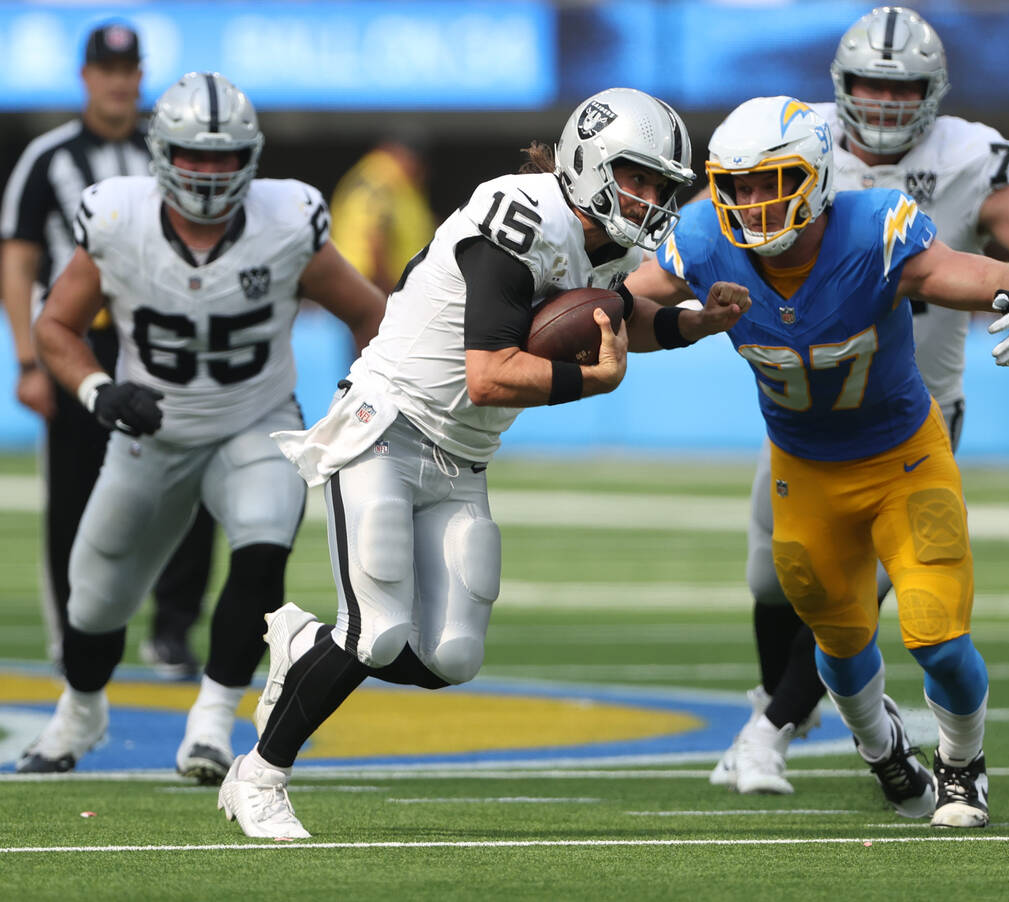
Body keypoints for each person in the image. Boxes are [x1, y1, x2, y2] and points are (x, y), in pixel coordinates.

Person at [217, 87, 745, 839]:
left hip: (463, 453)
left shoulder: (608, 241)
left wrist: (698, 322)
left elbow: (615, 318)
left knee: (451, 655)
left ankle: (305, 648)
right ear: (592, 162)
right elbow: (489, 374)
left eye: (661, 185)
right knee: (375, 633)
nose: (651, 197)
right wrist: (591, 382)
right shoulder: (518, 216)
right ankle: (259, 776)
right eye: (639, 177)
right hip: (388, 426)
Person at [671, 6, 1009, 798]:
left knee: (895, 598)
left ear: (934, 92)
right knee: (773, 581)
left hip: (912, 415)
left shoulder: (966, 159)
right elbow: (662, 277)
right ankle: (795, 715)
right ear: (837, 90)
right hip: (801, 411)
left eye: (903, 90)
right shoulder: (783, 145)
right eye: (868, 88)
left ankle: (772, 732)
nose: (884, 105)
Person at [628, 94, 1009, 827]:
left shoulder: (873, 231)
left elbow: (979, 272)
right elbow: (625, 310)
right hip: (806, 471)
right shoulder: (702, 238)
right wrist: (687, 323)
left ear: (818, 175)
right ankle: (881, 748)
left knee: (938, 633)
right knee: (838, 637)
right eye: (737, 184)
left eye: (772, 181)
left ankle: (963, 764)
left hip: (903, 460)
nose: (753, 201)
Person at [15, 72, 385, 783]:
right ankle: (81, 711)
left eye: (225, 157)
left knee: (261, 552)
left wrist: (355, 402)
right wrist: (100, 391)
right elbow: (55, 326)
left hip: (257, 421)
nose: (210, 174)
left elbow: (370, 313)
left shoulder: (289, 219)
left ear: (252, 156)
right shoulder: (117, 219)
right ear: (161, 154)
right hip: (151, 432)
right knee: (93, 600)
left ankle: (213, 722)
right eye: (194, 156)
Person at [0, 21, 216, 679]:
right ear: (87, 77)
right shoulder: (50, 156)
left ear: (140, 76)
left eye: (130, 71)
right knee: (76, 490)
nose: (120, 83)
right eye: (108, 71)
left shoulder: (167, 149)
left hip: (159, 335)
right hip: (81, 339)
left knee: (193, 474)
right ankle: (76, 632)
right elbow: (19, 257)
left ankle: (172, 629)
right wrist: (30, 361)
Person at [329, 138, 437, 294]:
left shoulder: (392, 180)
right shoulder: (381, 179)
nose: (420, 172)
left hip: (366, 287)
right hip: (369, 289)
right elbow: (375, 240)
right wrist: (389, 291)